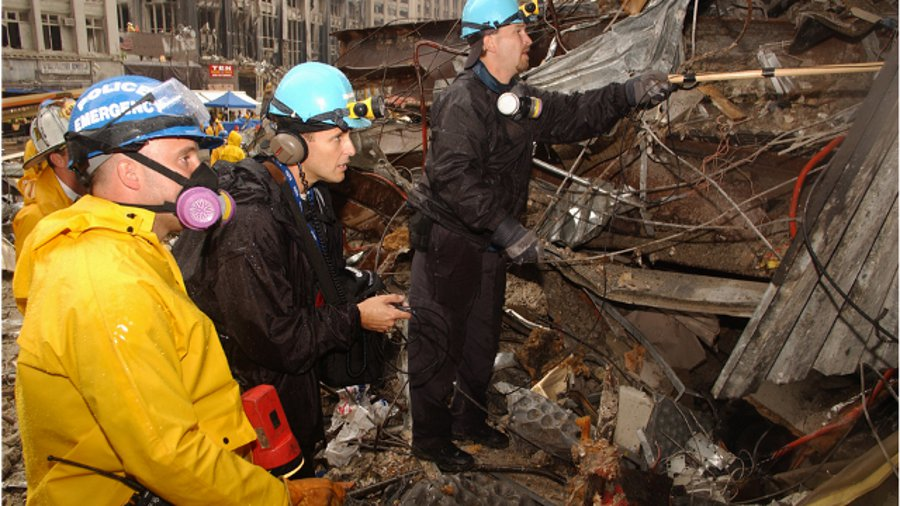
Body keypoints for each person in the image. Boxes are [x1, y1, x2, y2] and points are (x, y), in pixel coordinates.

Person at [13, 75, 347, 505]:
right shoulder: (106, 283)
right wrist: (280, 498)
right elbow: (167, 453)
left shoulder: (130, 247)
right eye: (186, 157)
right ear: (131, 173)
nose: (203, 173)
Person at [405, 0, 672, 471]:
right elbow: (453, 177)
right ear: (489, 40)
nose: (530, 39)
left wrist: (628, 94)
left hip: (488, 241)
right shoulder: (462, 101)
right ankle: (429, 438)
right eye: (520, 32)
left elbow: (574, 113)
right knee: (439, 339)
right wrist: (509, 228)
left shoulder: (519, 97)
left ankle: (468, 420)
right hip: (449, 240)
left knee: (481, 340)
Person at [172, 62, 411, 477]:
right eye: (337, 137)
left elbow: (315, 277)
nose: (351, 149)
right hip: (249, 417)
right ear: (292, 144)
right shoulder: (250, 223)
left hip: (289, 391)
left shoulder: (309, 196)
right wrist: (356, 318)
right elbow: (277, 339)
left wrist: (362, 293)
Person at [13, 98, 87, 258]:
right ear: (57, 159)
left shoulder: (96, 196)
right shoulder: (34, 219)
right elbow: (29, 281)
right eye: (81, 148)